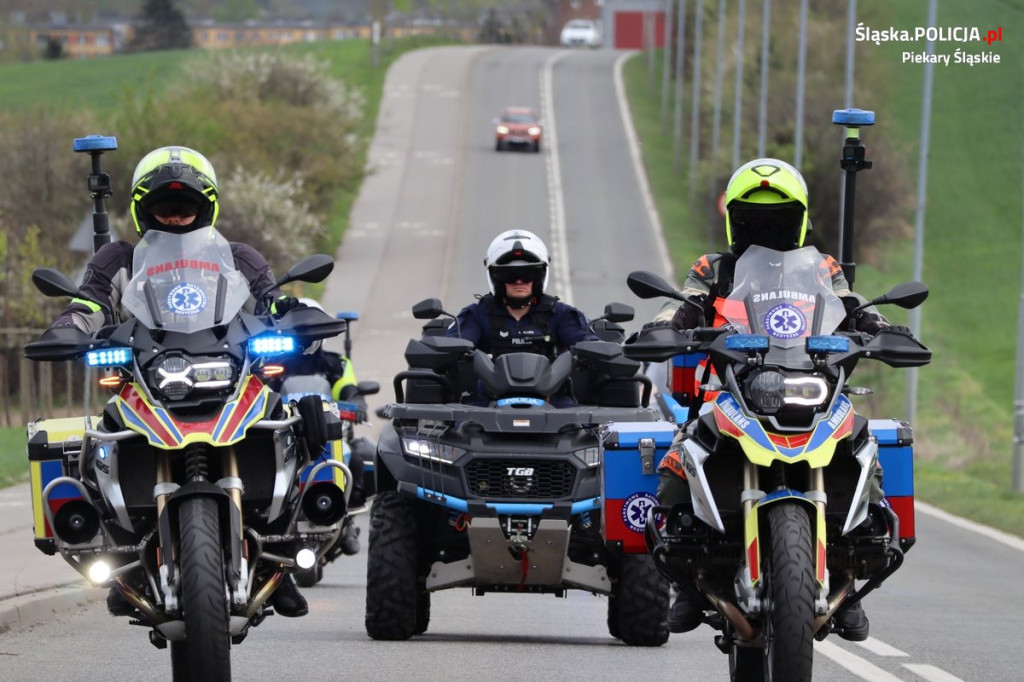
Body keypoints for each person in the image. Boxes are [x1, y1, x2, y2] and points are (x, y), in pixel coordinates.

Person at [46, 145, 309, 618]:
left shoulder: (237, 255)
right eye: (163, 209)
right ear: (143, 210)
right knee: (97, 438)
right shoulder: (117, 258)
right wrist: (70, 325)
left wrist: (300, 312)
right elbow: (89, 303)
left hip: (229, 373)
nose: (174, 217)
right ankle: (122, 557)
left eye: (184, 207)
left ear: (205, 207)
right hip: (142, 379)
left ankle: (285, 558)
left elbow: (271, 298)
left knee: (296, 415)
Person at [647, 158, 901, 641]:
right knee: (681, 453)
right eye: (753, 215)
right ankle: (687, 583)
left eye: (777, 215)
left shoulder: (822, 267)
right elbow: (684, 301)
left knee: (863, 446)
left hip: (811, 379)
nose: (765, 224)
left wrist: (881, 328)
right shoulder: (713, 267)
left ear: (798, 217)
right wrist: (664, 325)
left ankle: (846, 580)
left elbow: (850, 305)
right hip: (738, 386)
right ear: (735, 218)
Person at [448, 229, 596, 405]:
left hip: (553, 404)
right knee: (461, 429)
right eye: (509, 275)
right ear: (496, 277)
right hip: (487, 404)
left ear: (540, 276)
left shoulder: (561, 314)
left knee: (580, 430)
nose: (519, 282)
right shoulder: (476, 314)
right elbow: (453, 345)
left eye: (528, 274)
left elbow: (588, 344)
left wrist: (598, 350)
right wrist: (446, 349)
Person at [272, 297, 372, 555]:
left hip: (329, 432)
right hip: (283, 433)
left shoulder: (336, 363)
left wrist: (356, 404)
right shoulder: (271, 362)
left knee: (361, 456)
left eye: (311, 327)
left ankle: (346, 516)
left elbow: (349, 390)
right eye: (299, 328)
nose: (304, 335)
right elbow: (262, 393)